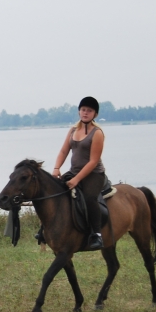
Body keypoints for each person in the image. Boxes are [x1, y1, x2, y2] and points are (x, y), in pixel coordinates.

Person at [51, 96, 107, 250]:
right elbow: (63, 151)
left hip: (93, 174)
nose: (85, 113)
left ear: (95, 114)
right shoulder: (73, 130)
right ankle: (46, 229)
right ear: (79, 111)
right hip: (74, 171)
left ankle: (97, 234)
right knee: (55, 191)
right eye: (83, 110)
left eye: (89, 110)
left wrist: (76, 180)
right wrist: (56, 168)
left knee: (89, 198)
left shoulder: (97, 133)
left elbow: (93, 161)